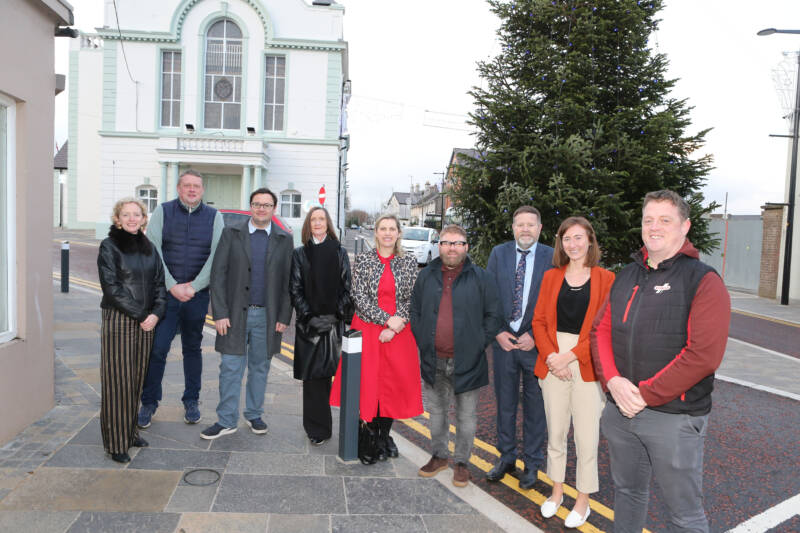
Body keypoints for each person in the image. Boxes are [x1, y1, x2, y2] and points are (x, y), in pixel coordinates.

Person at [591, 190, 731, 532]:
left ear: (685, 226)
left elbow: (703, 355)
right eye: (648, 220)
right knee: (627, 494)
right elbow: (600, 331)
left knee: (684, 514)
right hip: (621, 411)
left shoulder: (703, 280)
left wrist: (644, 394)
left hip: (674, 418)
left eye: (665, 220)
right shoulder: (626, 275)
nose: (654, 227)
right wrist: (613, 382)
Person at [531, 216, 615, 528]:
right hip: (552, 360)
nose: (573, 244)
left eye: (579, 238)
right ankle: (556, 493)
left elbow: (602, 329)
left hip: (586, 363)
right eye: (567, 239)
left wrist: (568, 357)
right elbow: (539, 321)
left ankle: (583, 500)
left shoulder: (607, 279)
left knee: (586, 437)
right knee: (555, 433)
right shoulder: (552, 277)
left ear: (590, 241)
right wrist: (553, 357)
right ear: (561, 244)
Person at [412, 224, 502, 487]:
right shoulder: (426, 276)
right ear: (438, 246)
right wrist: (423, 341)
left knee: (466, 417)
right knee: (437, 413)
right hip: (433, 359)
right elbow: (415, 311)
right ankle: (439, 457)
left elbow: (493, 316)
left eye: (457, 243)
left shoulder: (482, 278)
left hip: (469, 362)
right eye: (446, 243)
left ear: (466, 247)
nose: (451, 248)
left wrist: (477, 345)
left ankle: (462, 463)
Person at [200, 188, 293, 439]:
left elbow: (288, 283)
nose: (261, 209)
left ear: (274, 208)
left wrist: (284, 316)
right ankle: (226, 420)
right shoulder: (231, 234)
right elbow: (218, 276)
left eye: (266, 205)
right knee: (230, 367)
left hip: (268, 317)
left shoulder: (285, 240)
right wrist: (219, 313)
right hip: (233, 316)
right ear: (250, 207)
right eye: (256, 204)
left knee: (260, 368)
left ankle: (254, 414)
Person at [330, 214, 422, 462]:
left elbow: (412, 298)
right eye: (383, 228)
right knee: (369, 384)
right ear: (376, 232)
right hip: (369, 329)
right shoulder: (364, 260)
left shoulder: (409, 261)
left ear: (399, 233)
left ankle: (383, 437)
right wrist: (385, 320)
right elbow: (359, 297)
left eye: (392, 229)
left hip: (399, 332)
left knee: (391, 386)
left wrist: (395, 325)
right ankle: (369, 435)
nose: (388, 233)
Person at [138, 170, 224, 428]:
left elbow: (217, 256)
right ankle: (149, 402)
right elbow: (153, 251)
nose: (191, 190)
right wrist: (172, 285)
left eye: (196, 186)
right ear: (178, 188)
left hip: (197, 296)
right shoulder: (163, 212)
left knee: (192, 349)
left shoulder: (214, 217)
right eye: (186, 185)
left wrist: (195, 286)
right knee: (158, 350)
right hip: (165, 296)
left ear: (202, 190)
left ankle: (191, 401)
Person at [485, 206, 554, 489]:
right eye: (520, 225)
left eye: (530, 225)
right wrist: (498, 332)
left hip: (535, 345)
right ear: (513, 228)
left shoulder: (552, 257)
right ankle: (507, 457)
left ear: (539, 228)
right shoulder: (498, 254)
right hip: (504, 343)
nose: (525, 229)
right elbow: (488, 297)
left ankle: (533, 463)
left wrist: (537, 338)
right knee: (505, 404)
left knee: (536, 407)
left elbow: (557, 303)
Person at [97, 198, 166, 463]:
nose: (132, 218)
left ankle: (129, 430)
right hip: (120, 320)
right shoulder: (109, 246)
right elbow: (111, 288)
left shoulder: (149, 248)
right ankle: (116, 443)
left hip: (146, 321)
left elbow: (160, 283)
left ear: (143, 218)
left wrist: (156, 314)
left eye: (136, 214)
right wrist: (142, 315)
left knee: (136, 379)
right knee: (118, 382)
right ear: (117, 218)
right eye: (126, 214)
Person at [290, 207, 352, 445]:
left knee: (331, 378)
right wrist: (310, 316)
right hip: (309, 327)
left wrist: (334, 316)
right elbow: (295, 289)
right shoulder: (299, 254)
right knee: (312, 380)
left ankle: (333, 427)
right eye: (313, 219)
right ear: (308, 224)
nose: (317, 223)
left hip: (333, 325)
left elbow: (347, 288)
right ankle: (317, 430)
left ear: (328, 224)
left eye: (321, 219)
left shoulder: (339, 252)